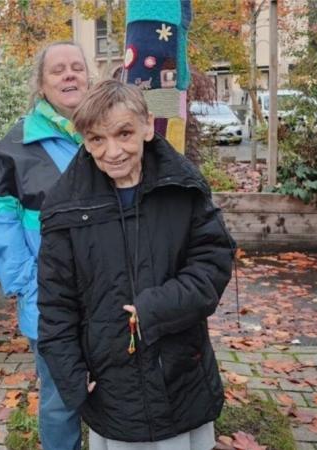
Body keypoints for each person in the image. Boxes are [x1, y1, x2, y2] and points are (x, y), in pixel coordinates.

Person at [37, 79, 235, 450]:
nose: (113, 151)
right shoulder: (65, 206)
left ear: (146, 126)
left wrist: (153, 309)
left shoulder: (183, 187)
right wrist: (69, 372)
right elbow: (55, 304)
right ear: (84, 140)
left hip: (178, 372)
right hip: (112, 382)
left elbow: (213, 263)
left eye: (123, 133)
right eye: (97, 139)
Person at [0, 41, 88, 449]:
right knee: (60, 400)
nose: (69, 75)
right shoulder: (17, 144)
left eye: (77, 67)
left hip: (109, 298)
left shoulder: (106, 131)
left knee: (115, 393)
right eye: (58, 70)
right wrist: (25, 281)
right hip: (49, 300)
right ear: (41, 83)